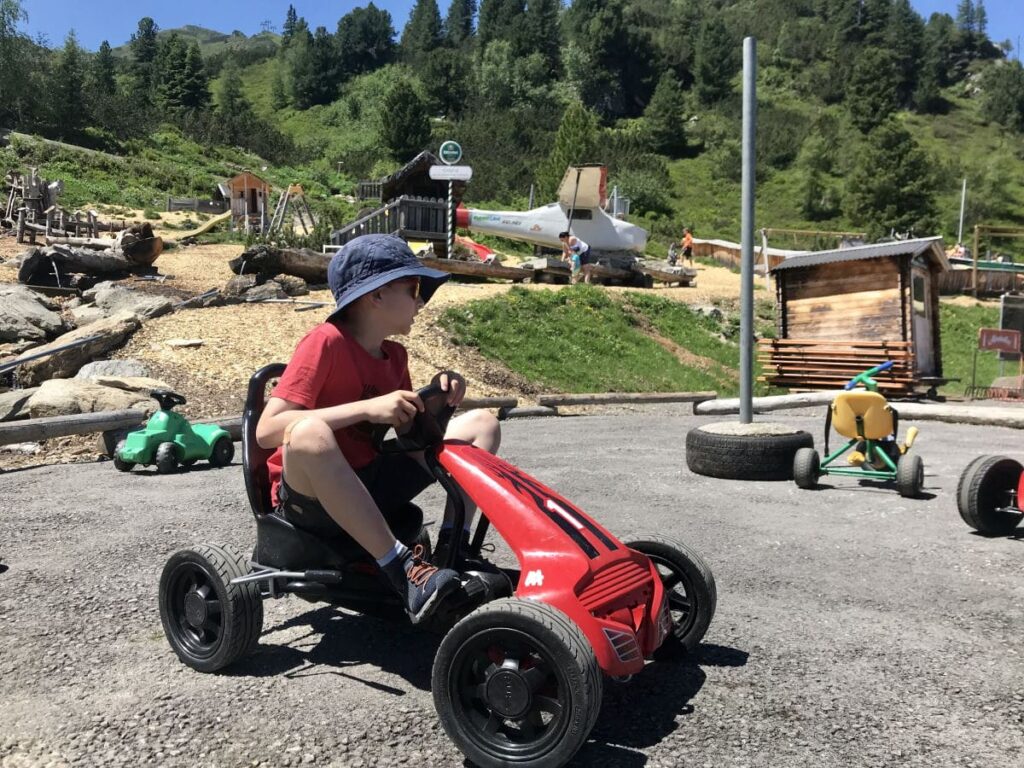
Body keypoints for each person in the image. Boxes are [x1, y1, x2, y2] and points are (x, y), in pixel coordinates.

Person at [255, 234, 502, 625]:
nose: (421, 302)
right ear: (377, 295)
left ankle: (455, 549)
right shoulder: (325, 343)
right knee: (308, 432)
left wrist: (433, 407)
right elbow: (267, 431)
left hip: (368, 483)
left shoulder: (395, 356)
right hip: (309, 499)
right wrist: (366, 408)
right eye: (413, 288)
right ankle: (401, 566)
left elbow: (407, 438)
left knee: (483, 424)